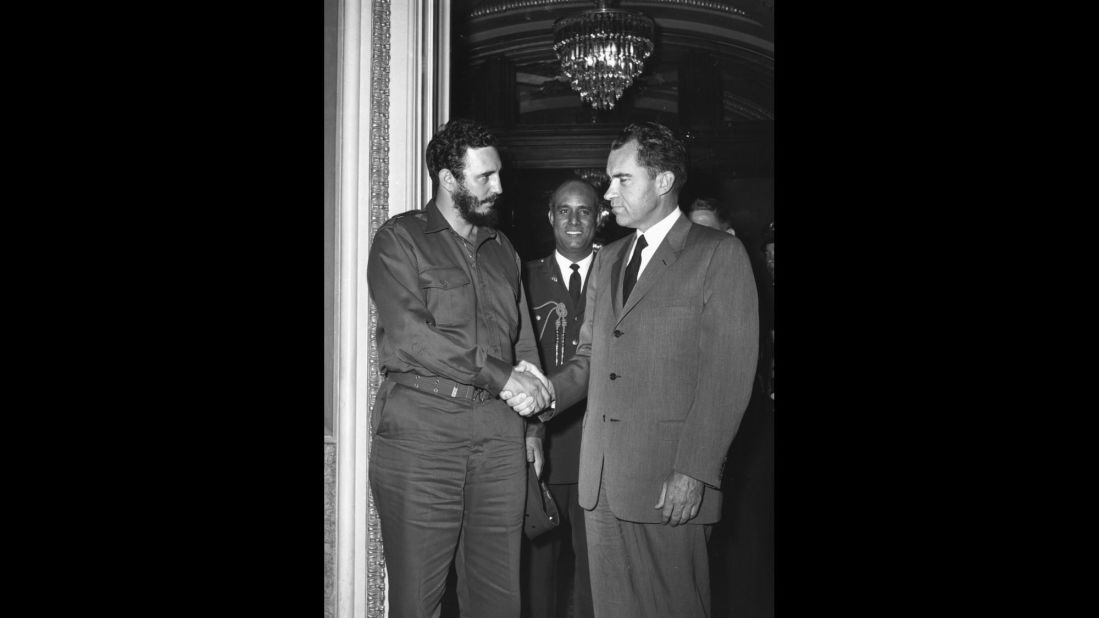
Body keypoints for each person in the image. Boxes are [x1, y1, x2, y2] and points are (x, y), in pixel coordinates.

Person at [509, 122, 759, 617]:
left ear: (663, 182)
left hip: (671, 483)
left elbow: (728, 376)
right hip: (600, 483)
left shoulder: (718, 254)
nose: (608, 193)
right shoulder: (611, 259)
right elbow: (589, 360)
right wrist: (542, 394)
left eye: (622, 180)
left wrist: (694, 470)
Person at [366, 118, 552, 618]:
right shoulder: (398, 239)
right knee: (417, 601)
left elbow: (524, 344)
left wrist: (531, 426)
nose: (499, 187)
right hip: (421, 434)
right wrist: (502, 375)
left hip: (498, 438)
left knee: (498, 600)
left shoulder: (504, 249)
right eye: (485, 176)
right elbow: (411, 336)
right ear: (449, 179)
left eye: (498, 175)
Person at [520, 179, 598, 618]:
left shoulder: (618, 272)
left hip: (600, 450)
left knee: (595, 578)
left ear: (598, 217)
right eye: (563, 210)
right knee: (539, 579)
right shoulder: (524, 277)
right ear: (550, 216)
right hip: (541, 448)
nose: (573, 220)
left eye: (584, 210)